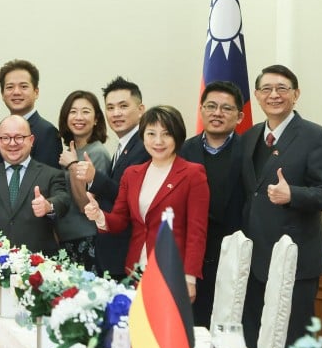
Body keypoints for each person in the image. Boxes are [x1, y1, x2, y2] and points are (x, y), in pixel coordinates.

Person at [240, 65, 322, 348]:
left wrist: (292, 194)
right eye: (266, 89)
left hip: (295, 262)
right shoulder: (250, 136)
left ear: (296, 94)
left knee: (292, 346)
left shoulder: (316, 136)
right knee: (255, 343)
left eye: (282, 88)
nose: (274, 95)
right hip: (254, 261)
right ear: (256, 95)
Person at [83, 106, 209, 296]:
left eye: (166, 134)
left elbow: (196, 232)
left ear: (178, 136)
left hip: (172, 272)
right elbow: (119, 220)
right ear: (143, 136)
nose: (158, 141)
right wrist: (99, 215)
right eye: (151, 133)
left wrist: (189, 277)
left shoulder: (193, 174)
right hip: (135, 270)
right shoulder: (132, 174)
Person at [180, 81, 246, 327]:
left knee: (231, 329)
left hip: (234, 259)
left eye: (226, 108)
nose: (217, 113)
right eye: (211, 106)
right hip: (193, 260)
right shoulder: (185, 149)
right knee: (194, 330)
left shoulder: (250, 150)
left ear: (239, 116)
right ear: (201, 110)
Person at [0, 114, 70, 255]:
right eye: (6, 138)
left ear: (31, 140)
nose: (12, 143)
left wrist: (48, 206)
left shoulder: (51, 174)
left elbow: (63, 199)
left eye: (19, 137)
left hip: (37, 265)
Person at [72, 76, 150, 279]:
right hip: (113, 248)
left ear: (140, 109)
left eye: (123, 106)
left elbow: (130, 197)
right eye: (110, 107)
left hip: (128, 249)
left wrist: (95, 177)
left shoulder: (145, 145)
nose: (116, 113)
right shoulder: (124, 145)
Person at [55, 90, 111, 270]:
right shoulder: (68, 152)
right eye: (73, 111)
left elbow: (85, 205)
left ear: (96, 119)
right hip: (65, 239)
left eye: (86, 111)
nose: (79, 117)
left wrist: (72, 165)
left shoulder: (97, 152)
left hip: (87, 239)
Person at [0, 60, 62, 168]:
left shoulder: (48, 132)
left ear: (36, 92)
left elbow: (49, 178)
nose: (16, 92)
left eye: (23, 87)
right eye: (10, 87)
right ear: (2, 94)